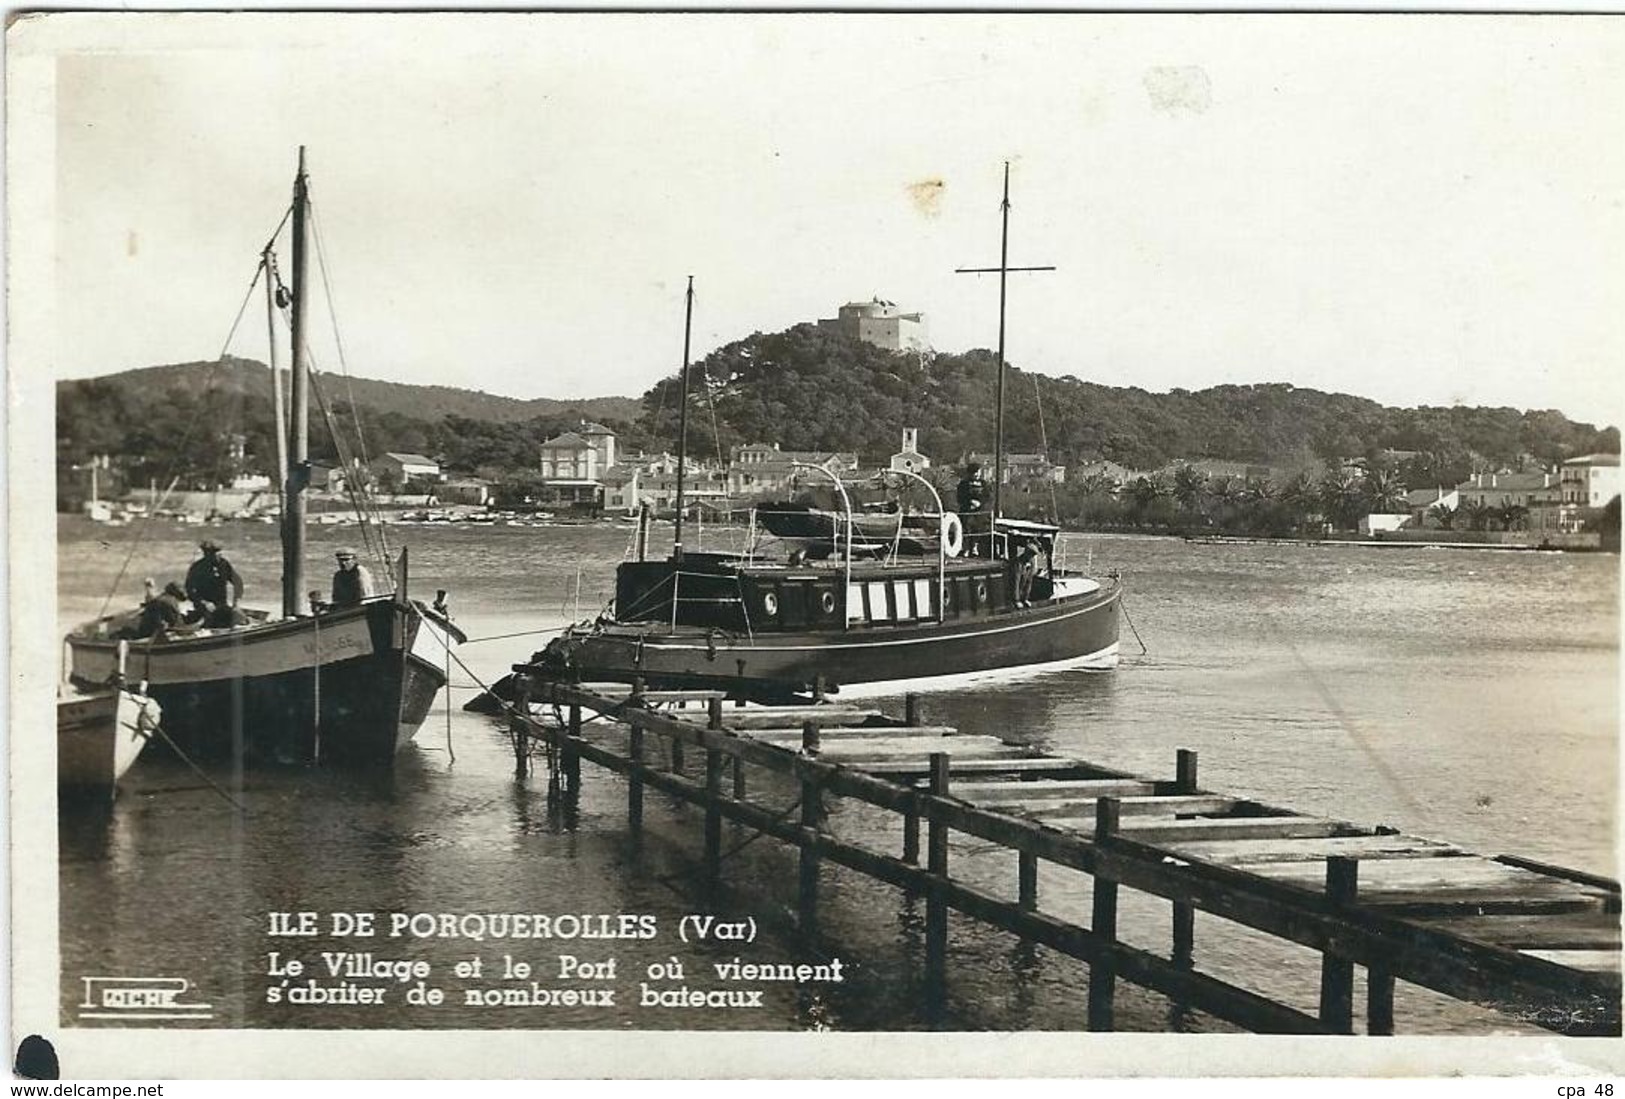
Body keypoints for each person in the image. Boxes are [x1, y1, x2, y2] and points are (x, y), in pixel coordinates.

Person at [184, 539, 246, 628]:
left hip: (222, 604)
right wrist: (204, 602)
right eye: (212, 553)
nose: (217, 555)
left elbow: (238, 582)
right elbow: (189, 590)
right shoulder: (197, 567)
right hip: (205, 607)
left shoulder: (224, 564)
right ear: (206, 554)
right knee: (209, 624)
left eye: (218, 552)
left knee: (240, 618)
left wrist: (236, 602)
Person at [115, 581, 191, 640]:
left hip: (145, 632)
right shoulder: (169, 602)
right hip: (152, 636)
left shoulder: (160, 599)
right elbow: (179, 626)